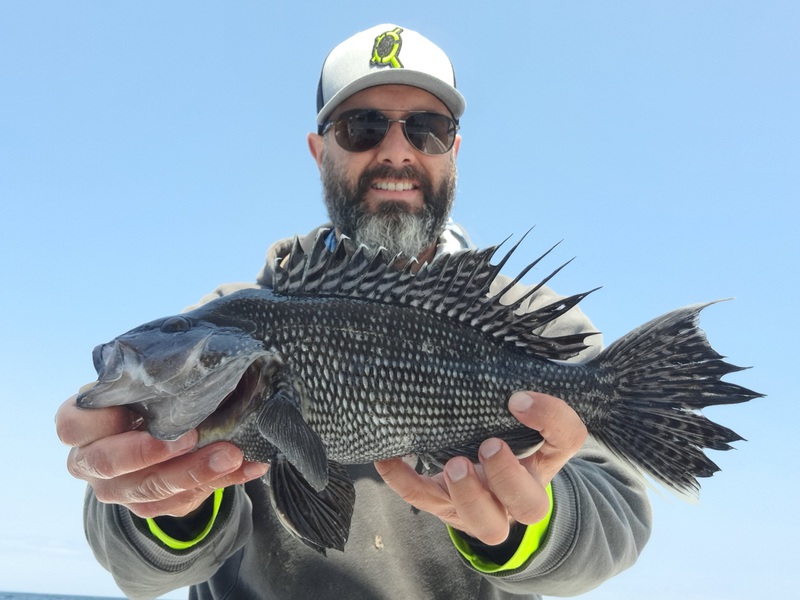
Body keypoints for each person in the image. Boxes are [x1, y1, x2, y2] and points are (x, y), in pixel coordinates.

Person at [56, 24, 651, 600]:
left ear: (454, 151)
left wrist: (529, 519)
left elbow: (619, 515)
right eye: (361, 127)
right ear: (320, 151)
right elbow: (133, 569)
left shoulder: (537, 324)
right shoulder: (220, 316)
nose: (396, 150)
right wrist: (165, 500)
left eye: (427, 129)